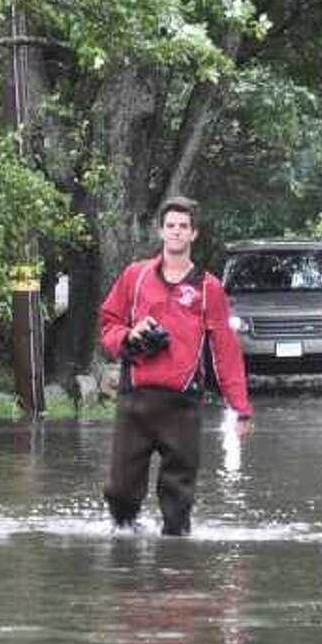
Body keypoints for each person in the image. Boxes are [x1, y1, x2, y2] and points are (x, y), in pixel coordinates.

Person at [99, 196, 253, 535]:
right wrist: (129, 335)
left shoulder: (209, 288)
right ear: (160, 231)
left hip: (182, 405)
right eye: (171, 226)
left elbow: (226, 352)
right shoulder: (135, 276)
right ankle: (125, 557)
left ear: (194, 234)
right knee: (120, 492)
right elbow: (108, 324)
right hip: (135, 399)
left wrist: (240, 409)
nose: (177, 232)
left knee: (178, 503)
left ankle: (176, 568)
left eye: (184, 227)